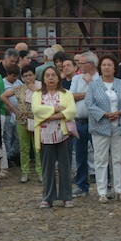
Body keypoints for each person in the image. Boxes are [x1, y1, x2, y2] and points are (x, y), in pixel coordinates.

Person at [86, 54, 121, 202]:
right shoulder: (94, 85)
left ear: (114, 68)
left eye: (109, 65)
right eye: (104, 65)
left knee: (118, 159)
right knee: (101, 160)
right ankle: (102, 192)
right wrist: (104, 114)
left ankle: (119, 189)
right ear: (100, 67)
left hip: (119, 126)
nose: (106, 67)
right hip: (100, 127)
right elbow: (89, 104)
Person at [32, 66, 76, 208]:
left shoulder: (66, 93)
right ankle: (47, 197)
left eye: (53, 75)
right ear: (43, 79)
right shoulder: (37, 94)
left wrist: (51, 116)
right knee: (47, 168)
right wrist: (56, 109)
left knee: (65, 167)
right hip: (45, 136)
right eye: (47, 75)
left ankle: (66, 197)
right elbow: (36, 110)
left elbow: (71, 111)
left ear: (58, 78)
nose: (50, 78)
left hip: (63, 135)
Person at [2, 66, 40, 184]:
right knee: (24, 147)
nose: (28, 78)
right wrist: (14, 109)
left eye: (30, 75)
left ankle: (40, 172)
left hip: (38, 120)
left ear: (34, 75)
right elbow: (3, 96)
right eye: (25, 76)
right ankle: (25, 172)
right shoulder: (19, 88)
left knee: (38, 147)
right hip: (22, 120)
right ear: (22, 78)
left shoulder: (41, 87)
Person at [69, 52, 97, 196]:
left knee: (100, 154)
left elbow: (101, 97)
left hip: (96, 121)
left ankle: (106, 184)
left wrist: (90, 85)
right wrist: (87, 94)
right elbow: (70, 96)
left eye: (81, 63)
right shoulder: (76, 78)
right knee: (80, 155)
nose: (79, 65)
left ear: (91, 64)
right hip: (79, 121)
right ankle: (81, 185)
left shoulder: (99, 78)